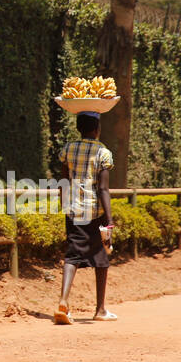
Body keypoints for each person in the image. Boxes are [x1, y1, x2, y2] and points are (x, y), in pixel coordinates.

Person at [53, 111, 116, 324]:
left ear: (79, 128)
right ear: (97, 129)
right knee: (102, 259)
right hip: (95, 213)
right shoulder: (103, 153)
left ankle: (63, 301)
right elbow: (104, 189)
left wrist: (64, 205)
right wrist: (109, 219)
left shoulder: (68, 149)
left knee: (72, 256)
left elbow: (64, 181)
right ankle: (100, 310)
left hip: (74, 211)